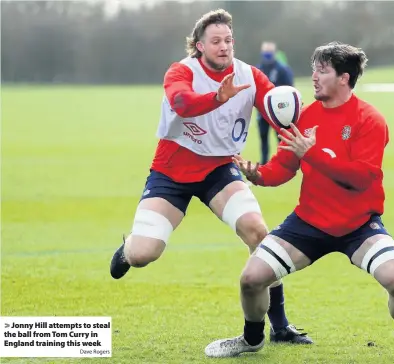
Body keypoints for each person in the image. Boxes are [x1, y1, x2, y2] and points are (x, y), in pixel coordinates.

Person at [204, 41, 394, 361]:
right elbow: (284, 167)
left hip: (359, 225)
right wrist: (258, 174)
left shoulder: (370, 119)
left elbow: (361, 179)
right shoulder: (304, 117)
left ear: (344, 78)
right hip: (309, 222)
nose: (313, 76)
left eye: (322, 70)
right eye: (314, 68)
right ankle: (252, 339)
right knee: (251, 279)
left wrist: (311, 153)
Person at [108, 9, 312, 345]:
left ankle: (280, 326)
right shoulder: (180, 71)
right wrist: (217, 97)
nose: (224, 46)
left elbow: (279, 116)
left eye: (228, 40)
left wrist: (293, 126)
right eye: (215, 41)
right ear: (199, 46)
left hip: (219, 168)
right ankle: (126, 249)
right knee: (145, 253)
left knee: (258, 232)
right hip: (172, 170)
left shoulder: (250, 76)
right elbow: (182, 103)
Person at [255, 41, 294, 164]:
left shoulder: (282, 69)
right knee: (263, 138)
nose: (267, 55)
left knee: (280, 138)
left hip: (279, 111)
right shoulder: (258, 68)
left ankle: (283, 161)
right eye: (265, 52)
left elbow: (290, 88)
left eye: (269, 52)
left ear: (274, 53)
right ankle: (264, 162)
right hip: (262, 111)